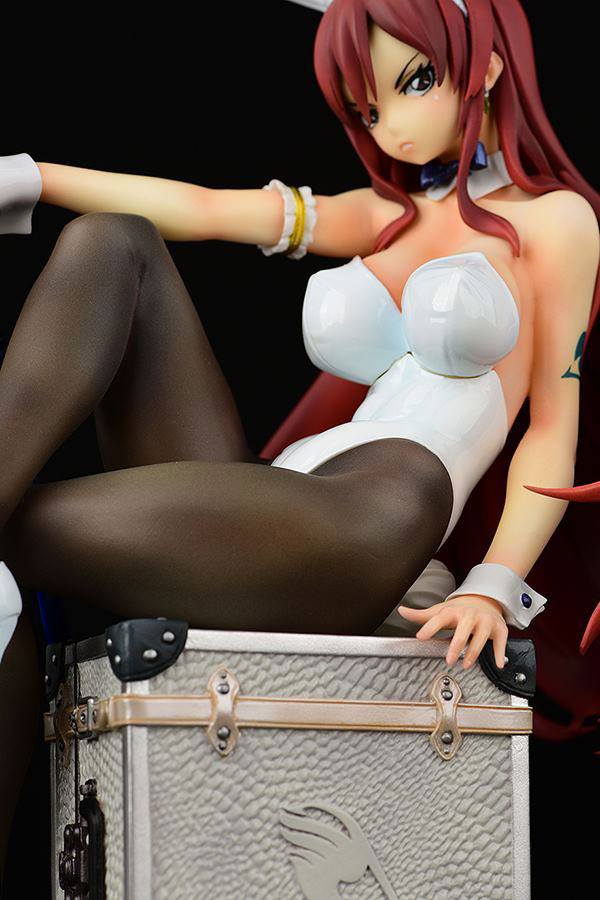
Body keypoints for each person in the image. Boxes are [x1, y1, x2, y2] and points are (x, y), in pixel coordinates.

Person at [0, 0, 598, 882]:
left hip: (375, 518)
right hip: (283, 499)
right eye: (365, 108)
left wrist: (495, 585)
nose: (390, 127)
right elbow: (202, 207)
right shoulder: (384, 213)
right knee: (113, 243)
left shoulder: (557, 223)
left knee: (15, 531)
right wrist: (28, 177)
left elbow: (552, 432)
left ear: (490, 66)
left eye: (414, 83)